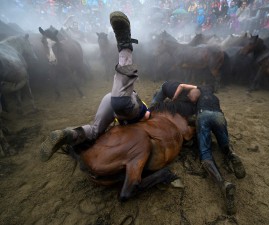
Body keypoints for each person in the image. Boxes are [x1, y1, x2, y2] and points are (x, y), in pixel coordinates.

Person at [40, 11, 151, 162]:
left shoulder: (129, 104)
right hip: (125, 103)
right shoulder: (142, 107)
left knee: (94, 130)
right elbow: (146, 116)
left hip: (110, 99)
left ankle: (69, 134)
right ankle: (125, 44)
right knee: (121, 101)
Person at [172, 83, 246, 215]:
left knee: (205, 153)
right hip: (219, 115)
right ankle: (232, 155)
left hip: (203, 115)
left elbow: (192, 98)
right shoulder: (214, 97)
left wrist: (187, 98)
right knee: (224, 144)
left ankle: (223, 184)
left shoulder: (198, 90)